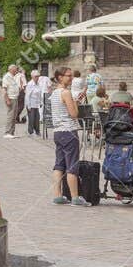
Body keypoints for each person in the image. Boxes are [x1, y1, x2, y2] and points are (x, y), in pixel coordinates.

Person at [49, 67, 89, 206]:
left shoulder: (54, 93)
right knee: (72, 165)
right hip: (69, 131)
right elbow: (74, 114)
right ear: (60, 77)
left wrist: (75, 101)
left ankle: (58, 195)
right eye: (68, 76)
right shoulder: (66, 92)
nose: (71, 78)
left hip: (58, 132)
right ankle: (75, 197)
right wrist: (76, 104)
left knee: (59, 165)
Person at [0, 64, 25, 138]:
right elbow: (4, 89)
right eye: (15, 70)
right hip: (10, 98)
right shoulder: (7, 77)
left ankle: (11, 132)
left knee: (14, 116)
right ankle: (7, 132)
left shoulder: (13, 77)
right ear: (11, 70)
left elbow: (17, 87)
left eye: (16, 70)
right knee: (10, 116)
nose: (16, 71)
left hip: (15, 97)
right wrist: (7, 99)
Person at [24, 70, 44, 136]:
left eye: (38, 76)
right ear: (32, 76)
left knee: (37, 118)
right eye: (36, 76)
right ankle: (31, 132)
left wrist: (41, 102)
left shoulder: (38, 84)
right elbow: (27, 96)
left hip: (36, 104)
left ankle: (37, 131)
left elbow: (40, 94)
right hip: (30, 104)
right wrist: (28, 106)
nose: (37, 77)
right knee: (31, 119)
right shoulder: (30, 84)